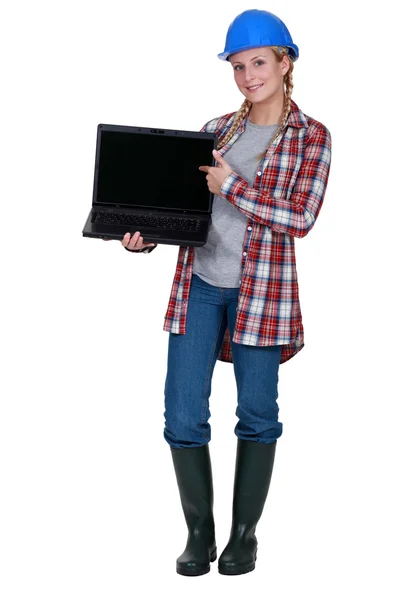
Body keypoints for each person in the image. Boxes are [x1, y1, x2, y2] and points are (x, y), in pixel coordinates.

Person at [104, 8, 332, 576]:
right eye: (237, 65)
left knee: (257, 414)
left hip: (264, 296)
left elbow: (299, 217)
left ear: (285, 62)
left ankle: (244, 537)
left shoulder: (313, 138)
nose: (248, 75)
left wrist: (233, 185)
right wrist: (145, 236)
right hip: (199, 286)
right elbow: (188, 212)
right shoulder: (214, 130)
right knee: (182, 416)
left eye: (258, 62)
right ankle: (199, 532)